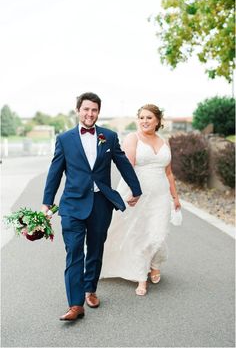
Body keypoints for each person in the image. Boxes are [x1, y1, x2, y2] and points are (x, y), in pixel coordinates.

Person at [41, 92, 142, 321]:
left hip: (100, 204)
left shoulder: (109, 136)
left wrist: (136, 189)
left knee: (95, 249)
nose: (90, 114)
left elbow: (123, 163)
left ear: (98, 112)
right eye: (86, 109)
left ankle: (90, 289)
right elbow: (55, 172)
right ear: (78, 110)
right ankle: (75, 304)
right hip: (72, 205)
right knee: (74, 251)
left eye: (94, 110)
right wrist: (47, 202)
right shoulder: (65, 139)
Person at [101, 104, 181, 295]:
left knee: (158, 233)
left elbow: (169, 173)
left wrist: (175, 197)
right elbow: (128, 167)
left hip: (160, 195)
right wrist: (132, 193)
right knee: (140, 234)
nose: (145, 121)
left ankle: (155, 264)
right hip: (137, 194)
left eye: (149, 118)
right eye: (142, 117)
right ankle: (140, 277)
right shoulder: (133, 138)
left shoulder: (164, 141)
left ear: (158, 121)